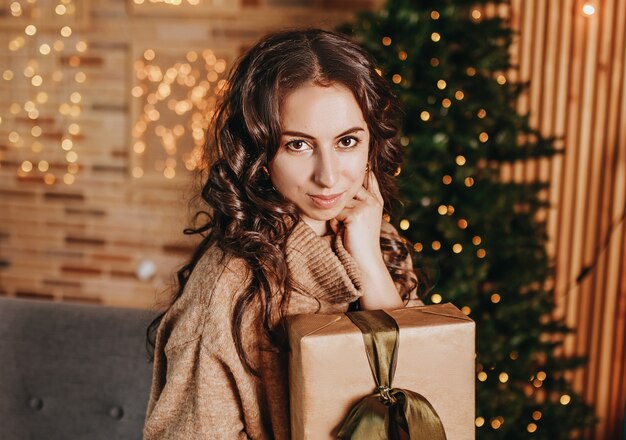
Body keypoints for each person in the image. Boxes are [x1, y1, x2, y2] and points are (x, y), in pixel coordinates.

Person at [143, 27, 425, 439]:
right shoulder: (231, 286)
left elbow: (419, 397)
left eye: (347, 141)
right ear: (259, 153)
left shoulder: (372, 232)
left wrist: (368, 258)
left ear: (372, 145)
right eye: (298, 145)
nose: (329, 177)